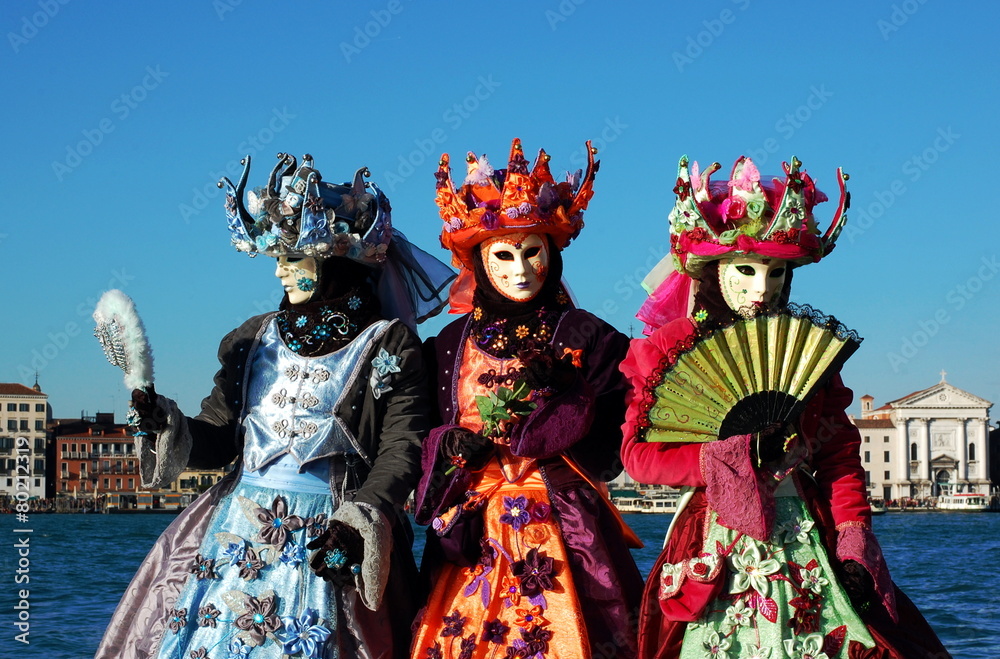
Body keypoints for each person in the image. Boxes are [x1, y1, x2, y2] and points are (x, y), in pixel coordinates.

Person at [95, 153, 454, 659]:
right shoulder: (253, 339)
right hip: (232, 534)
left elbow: (403, 446)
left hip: (335, 534)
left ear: (333, 263)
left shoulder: (387, 345)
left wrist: (360, 521)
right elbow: (220, 436)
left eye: (295, 258)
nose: (282, 271)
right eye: (278, 259)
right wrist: (167, 423)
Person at [620, 156, 952, 659]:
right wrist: (732, 454)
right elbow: (638, 457)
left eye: (776, 274)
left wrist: (853, 543)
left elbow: (839, 455)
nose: (762, 288)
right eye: (746, 270)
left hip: (806, 535)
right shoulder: (670, 348)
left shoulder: (804, 352)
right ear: (713, 270)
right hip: (709, 540)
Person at [410, 139, 644, 659]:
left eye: (532, 250)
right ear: (478, 260)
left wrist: (567, 399)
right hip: (472, 534)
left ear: (552, 252)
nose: (520, 269)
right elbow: (423, 433)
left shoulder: (593, 338)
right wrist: (453, 449)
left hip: (568, 528)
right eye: (503, 254)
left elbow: (609, 451)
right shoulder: (446, 346)